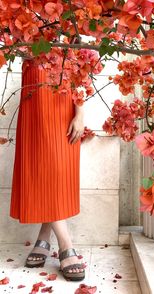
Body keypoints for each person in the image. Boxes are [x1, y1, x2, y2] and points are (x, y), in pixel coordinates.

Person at [9, 56, 85, 281]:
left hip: (61, 103)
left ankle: (57, 241)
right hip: (33, 99)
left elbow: (83, 66)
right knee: (41, 168)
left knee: (54, 170)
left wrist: (80, 113)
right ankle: (59, 241)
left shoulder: (72, 22)